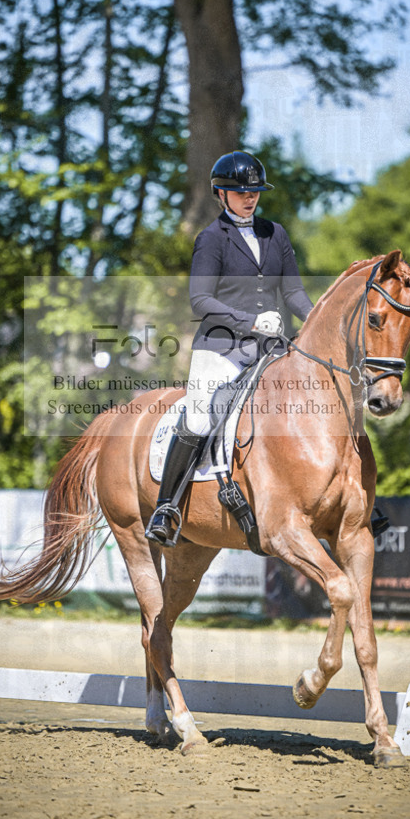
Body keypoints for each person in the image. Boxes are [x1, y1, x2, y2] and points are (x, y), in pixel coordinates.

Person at [145, 150, 314, 546]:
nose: (250, 198)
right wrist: (252, 321)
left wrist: (318, 321)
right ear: (221, 194)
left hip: (270, 350)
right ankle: (167, 506)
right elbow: (200, 300)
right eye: (240, 192)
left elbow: (292, 292)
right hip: (221, 349)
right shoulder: (210, 239)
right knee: (202, 416)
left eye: (254, 191)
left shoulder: (276, 234)